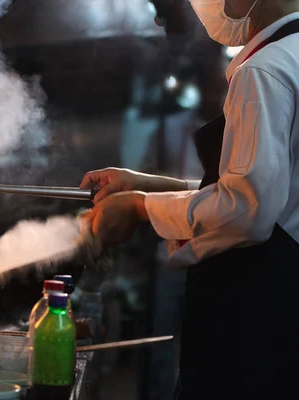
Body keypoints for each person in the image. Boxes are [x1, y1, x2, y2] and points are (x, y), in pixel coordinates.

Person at [80, 1, 299, 399]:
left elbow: (248, 210)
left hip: (257, 318)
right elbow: (268, 191)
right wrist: (150, 186)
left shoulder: (263, 71)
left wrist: (139, 206)